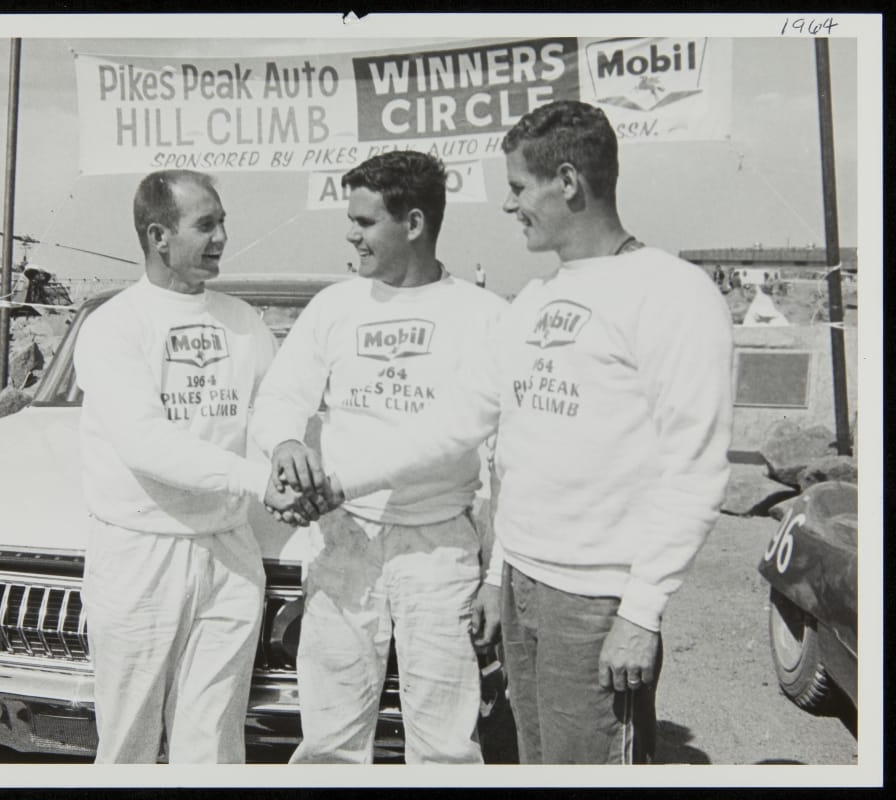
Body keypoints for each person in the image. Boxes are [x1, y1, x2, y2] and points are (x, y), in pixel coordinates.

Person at [329, 100, 733, 764]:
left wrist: (643, 610)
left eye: (518, 188)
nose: (509, 206)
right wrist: (495, 573)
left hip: (598, 597)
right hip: (522, 587)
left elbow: (696, 468)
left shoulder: (672, 293)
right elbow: (471, 427)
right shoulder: (535, 302)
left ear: (567, 182)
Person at [250, 151, 507, 764]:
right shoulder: (336, 306)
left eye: (365, 222)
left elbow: (503, 461)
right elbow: (281, 396)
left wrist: (495, 576)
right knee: (330, 738)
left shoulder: (485, 316)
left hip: (438, 546)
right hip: (345, 542)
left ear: (413, 223)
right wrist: (286, 441)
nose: (351, 234)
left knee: (444, 741)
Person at [73, 169, 319, 764]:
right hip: (141, 554)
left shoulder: (242, 321)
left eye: (223, 222)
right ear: (158, 235)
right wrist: (257, 479)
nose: (222, 237)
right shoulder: (115, 325)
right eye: (205, 224)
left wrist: (284, 451)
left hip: (228, 551)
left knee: (211, 744)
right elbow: (145, 444)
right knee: (128, 739)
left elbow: (270, 413)